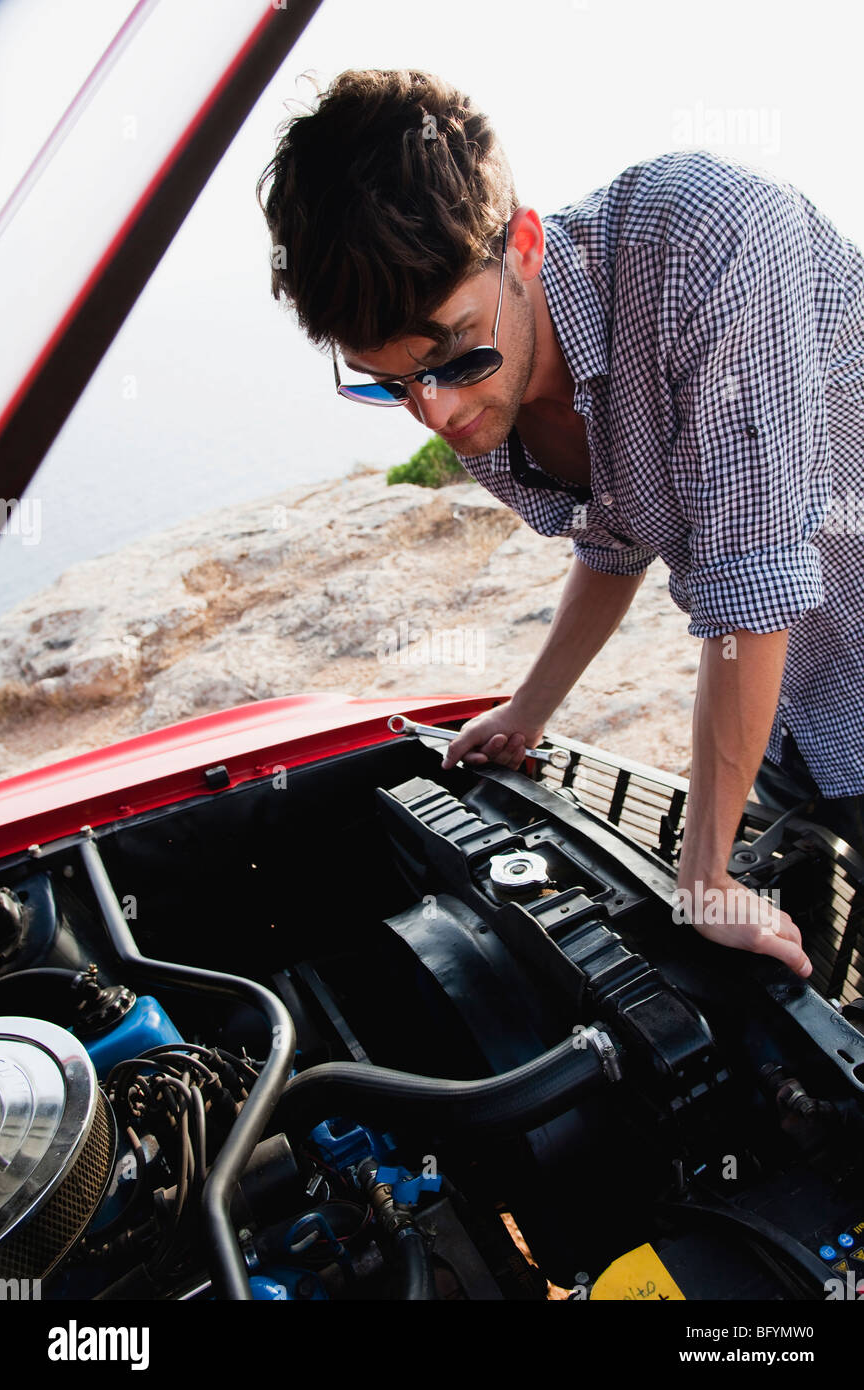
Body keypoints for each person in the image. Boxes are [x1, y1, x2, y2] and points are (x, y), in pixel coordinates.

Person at [257, 69, 864, 981]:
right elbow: (614, 535)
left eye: (452, 354)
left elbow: (751, 590)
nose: (436, 413)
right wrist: (529, 708)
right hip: (800, 704)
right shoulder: (479, 383)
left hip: (807, 646)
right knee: (792, 988)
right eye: (389, 382)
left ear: (525, 244)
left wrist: (700, 873)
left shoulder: (712, 241)